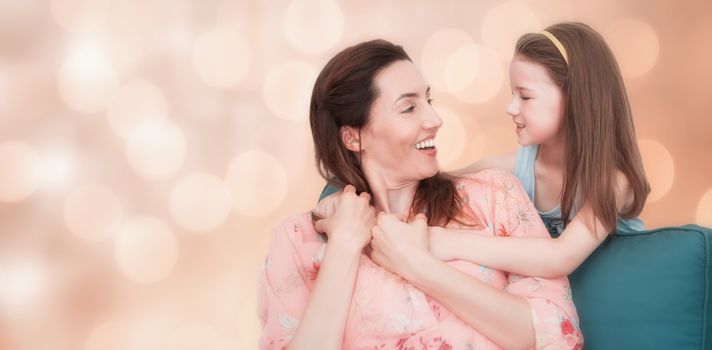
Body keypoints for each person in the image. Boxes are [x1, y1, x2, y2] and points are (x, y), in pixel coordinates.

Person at [258, 39, 582, 349]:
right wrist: (343, 246)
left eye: (429, 101)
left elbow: (554, 333)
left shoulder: (494, 196)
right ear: (353, 137)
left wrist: (417, 264)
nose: (435, 119)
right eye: (409, 108)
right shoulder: (299, 239)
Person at [316, 22, 650, 279]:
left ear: (577, 99)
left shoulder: (613, 182)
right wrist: (346, 195)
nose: (510, 107)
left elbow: (560, 257)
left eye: (526, 96)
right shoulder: (513, 168)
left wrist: (440, 242)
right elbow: (418, 180)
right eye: (511, 93)